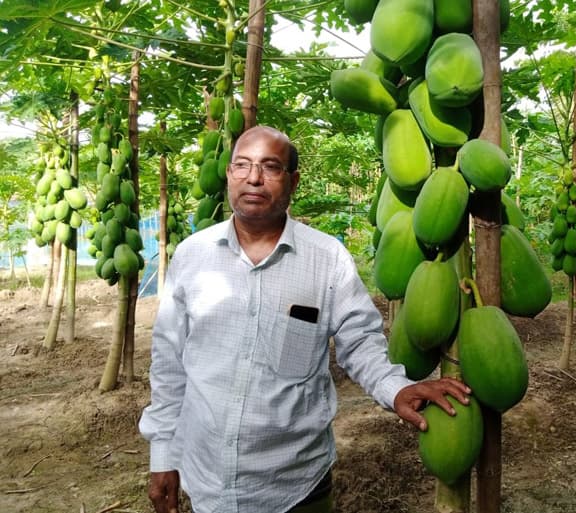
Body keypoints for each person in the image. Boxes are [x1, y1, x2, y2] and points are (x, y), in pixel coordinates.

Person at [139, 126, 471, 513]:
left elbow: (360, 343)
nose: (253, 178)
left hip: (295, 487)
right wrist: (162, 455)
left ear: (293, 180)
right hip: (207, 481)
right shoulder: (192, 256)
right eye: (242, 166)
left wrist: (395, 389)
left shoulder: (327, 259)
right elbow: (169, 365)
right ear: (228, 174)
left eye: (270, 167)